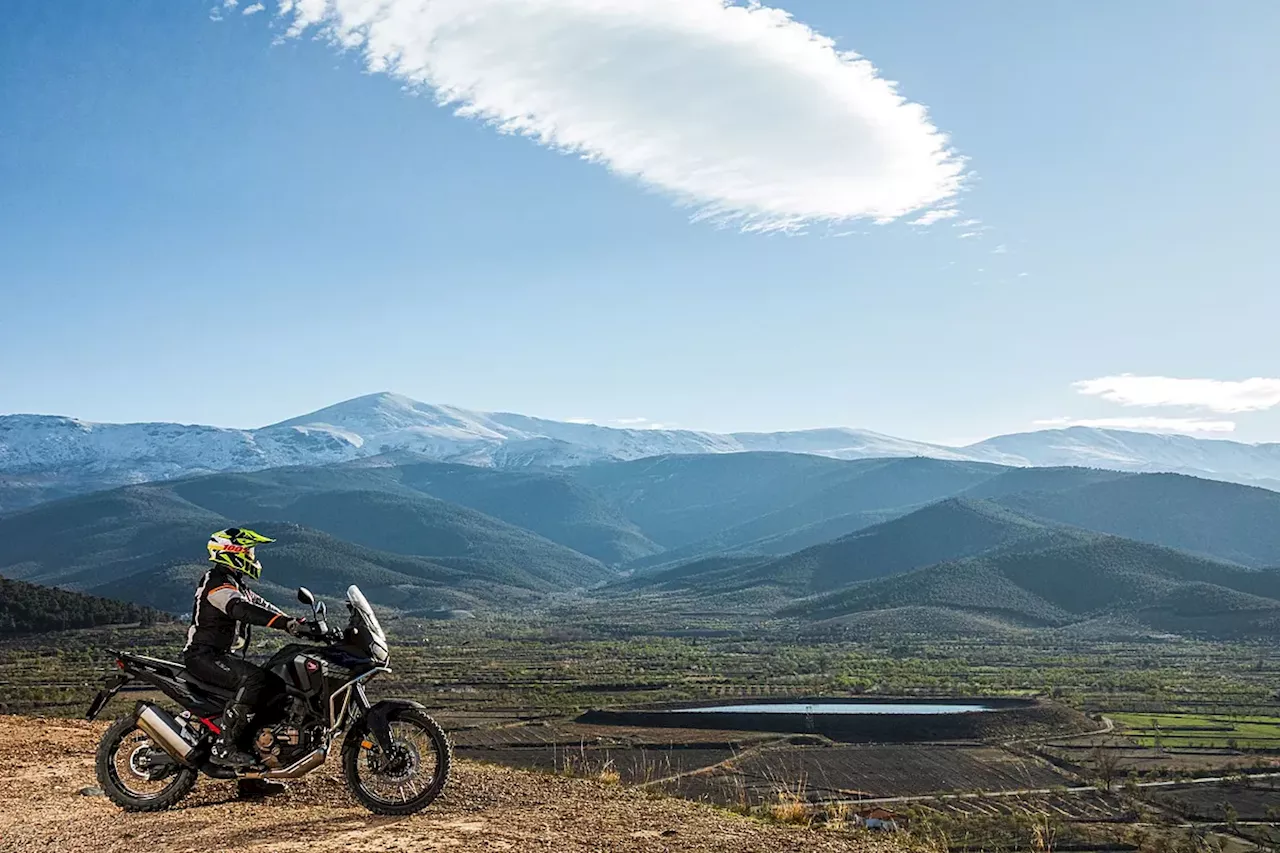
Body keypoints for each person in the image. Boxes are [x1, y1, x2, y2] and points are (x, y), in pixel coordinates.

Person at [182, 527, 307, 795]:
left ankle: (251, 778)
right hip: (203, 657)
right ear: (232, 553)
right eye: (248, 551)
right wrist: (285, 623)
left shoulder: (235, 582)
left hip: (221, 657)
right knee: (255, 679)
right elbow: (240, 609)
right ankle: (224, 748)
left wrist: (296, 624)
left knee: (273, 688)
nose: (252, 556)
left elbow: (261, 606)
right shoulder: (217, 583)